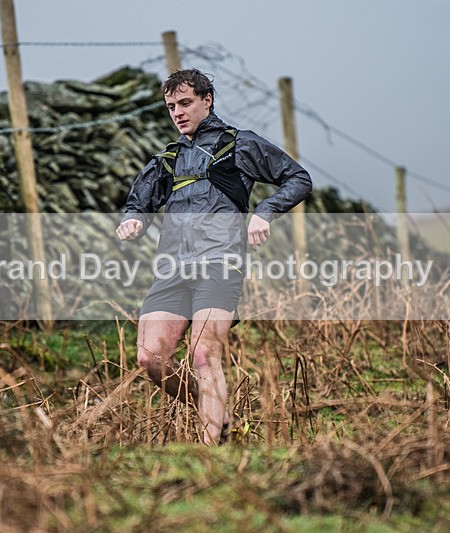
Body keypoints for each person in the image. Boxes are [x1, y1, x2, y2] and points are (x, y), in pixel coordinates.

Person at [116, 69, 312, 444]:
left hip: (221, 262)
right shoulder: (167, 159)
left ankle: (212, 452)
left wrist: (264, 212)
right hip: (172, 267)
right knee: (149, 358)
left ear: (207, 100)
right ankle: (219, 412)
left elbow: (298, 178)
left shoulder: (240, 145)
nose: (177, 112)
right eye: (171, 106)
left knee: (204, 356)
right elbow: (137, 203)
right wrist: (132, 221)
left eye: (186, 103)